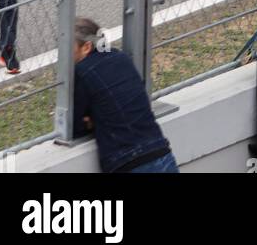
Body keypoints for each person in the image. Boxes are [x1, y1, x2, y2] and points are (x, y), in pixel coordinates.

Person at [73, 17, 179, 173]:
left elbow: (75, 127)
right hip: (160, 152)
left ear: (86, 47)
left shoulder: (82, 72)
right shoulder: (121, 57)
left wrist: (93, 121)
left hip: (127, 162)